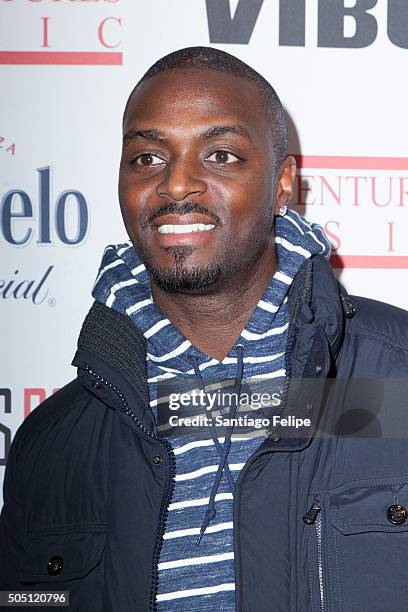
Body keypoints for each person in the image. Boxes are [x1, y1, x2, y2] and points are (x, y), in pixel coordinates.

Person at [1, 46, 408, 612]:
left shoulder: (398, 383)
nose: (176, 185)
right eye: (147, 158)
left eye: (220, 154)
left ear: (284, 183)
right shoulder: (52, 445)